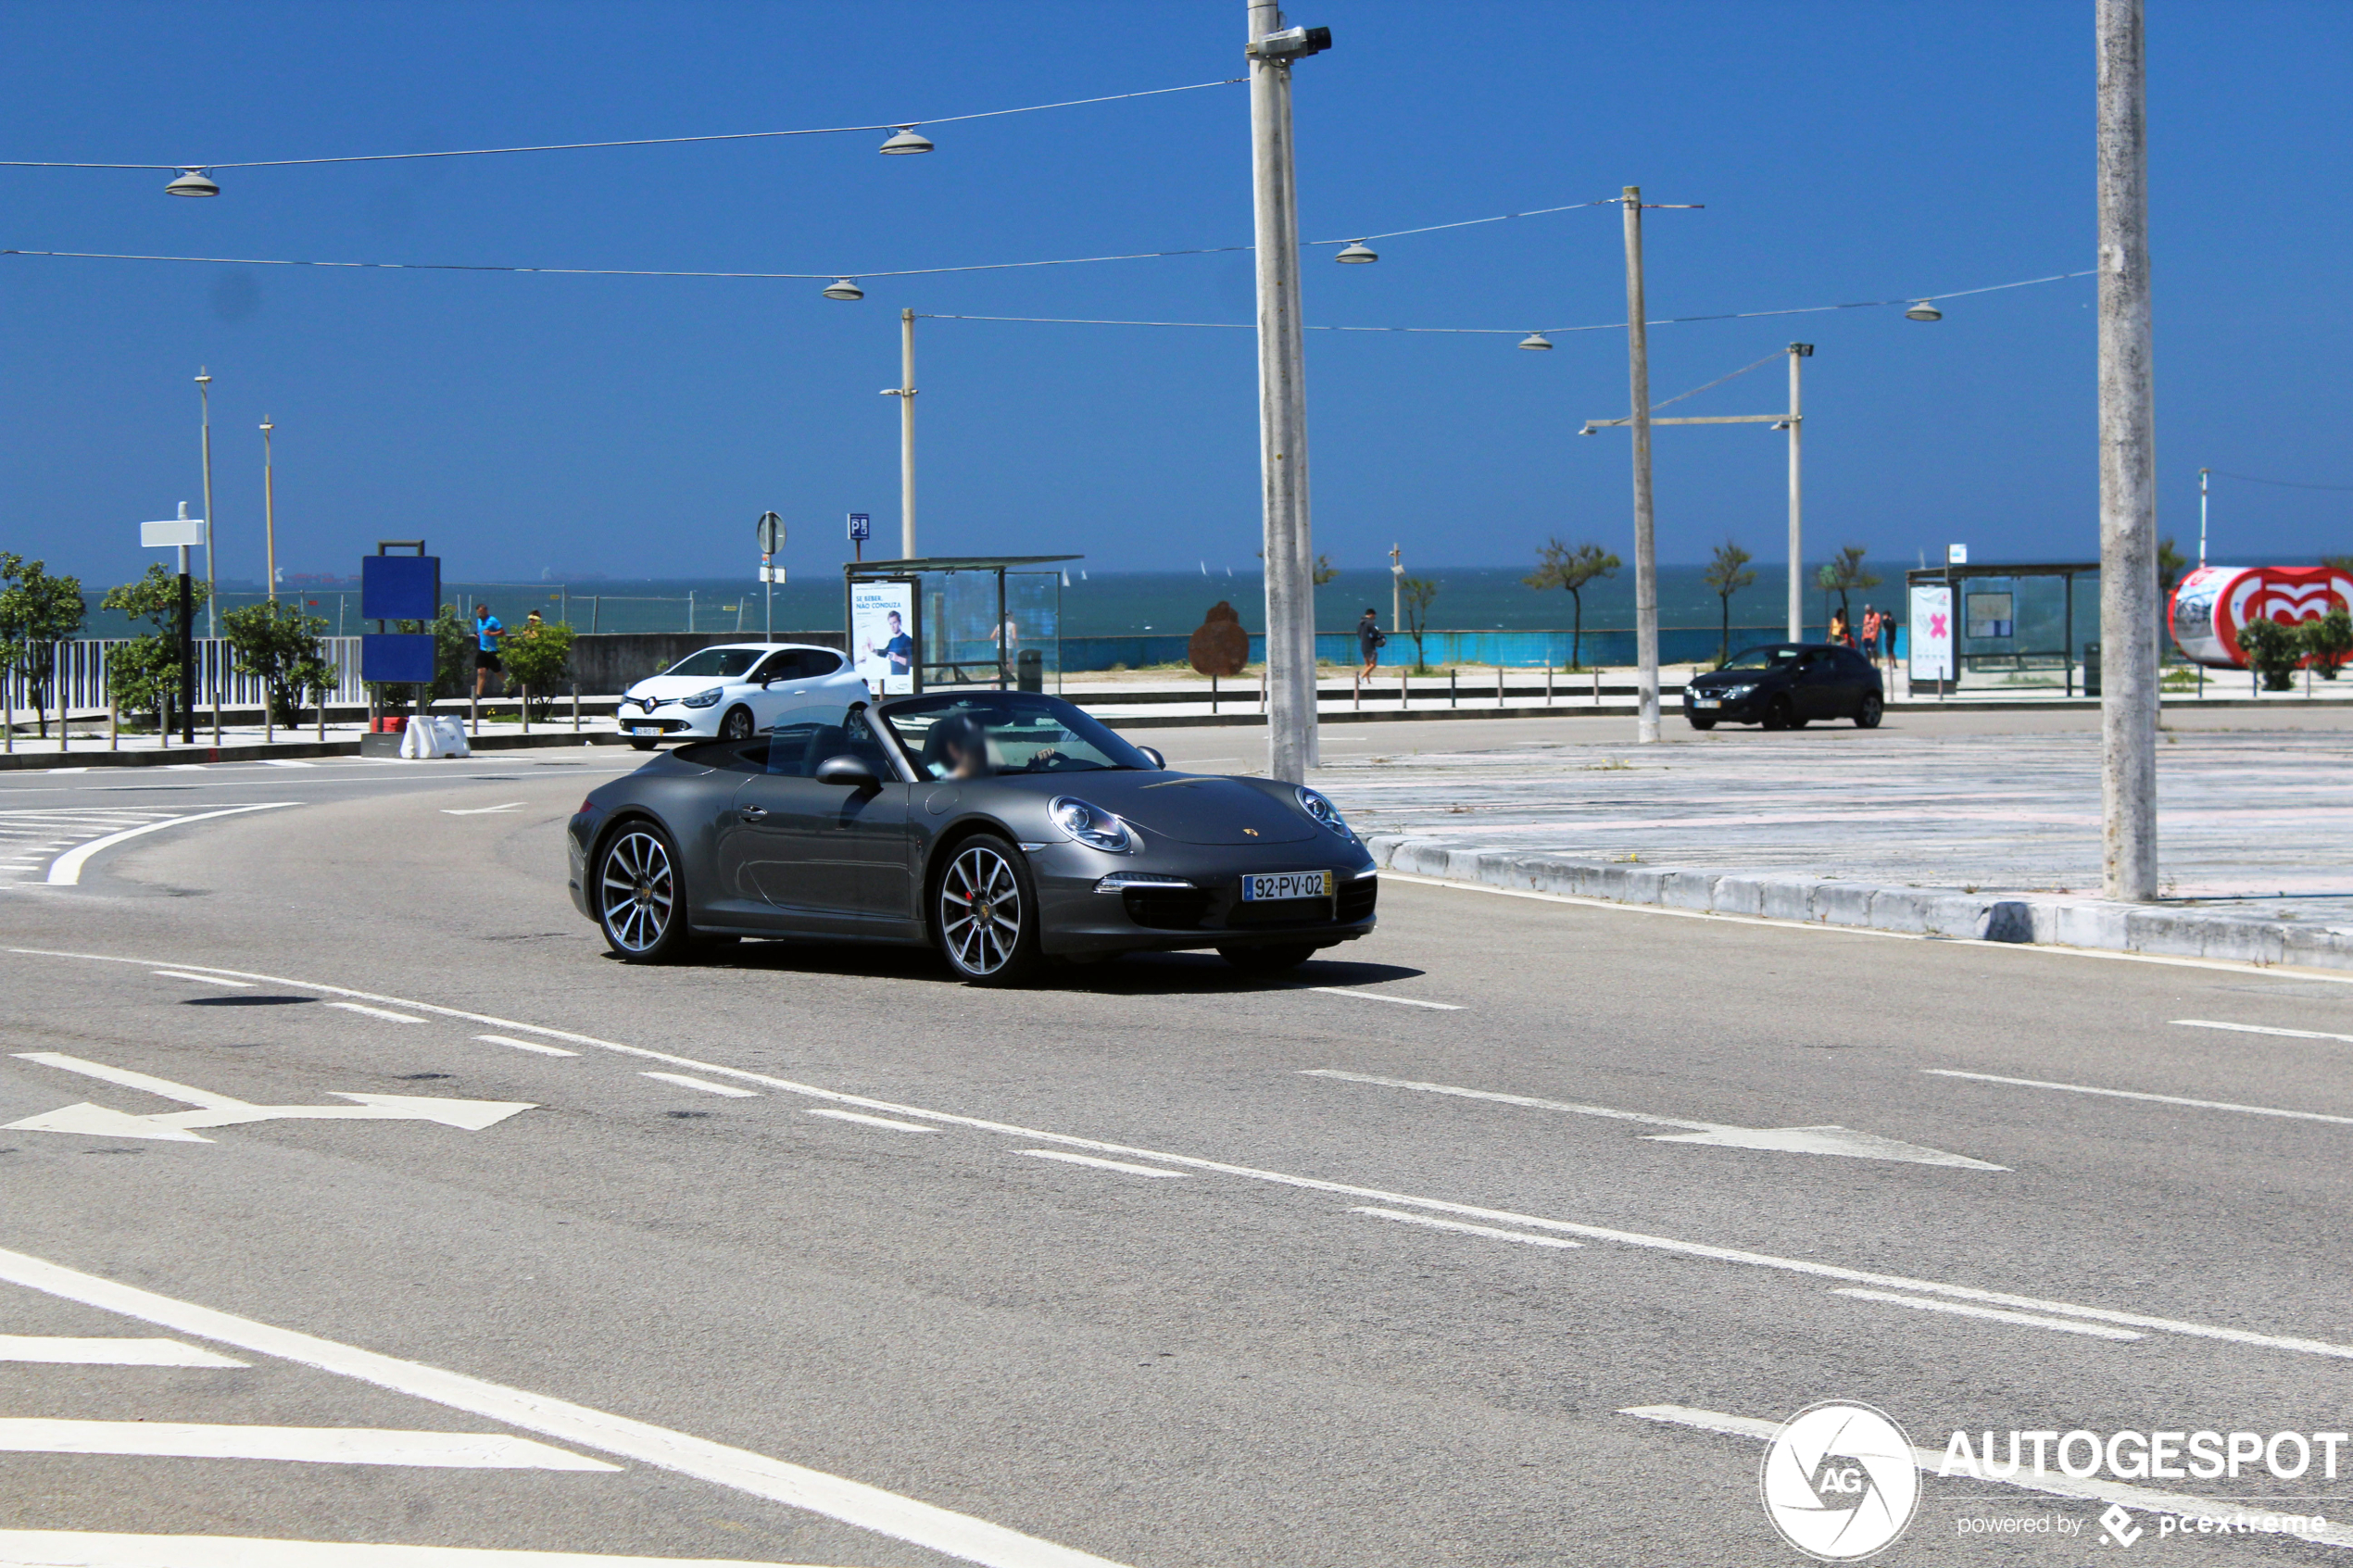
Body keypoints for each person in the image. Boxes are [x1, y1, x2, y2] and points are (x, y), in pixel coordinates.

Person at [472, 605, 508, 696]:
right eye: (478, 613)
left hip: (492, 650)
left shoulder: (493, 620)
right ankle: (478, 694)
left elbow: (503, 632)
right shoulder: (479, 621)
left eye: (481, 612)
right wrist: (479, 636)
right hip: (482, 650)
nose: (479, 614)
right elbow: (482, 633)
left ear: (486, 611)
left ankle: (509, 688)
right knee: (481, 672)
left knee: (498, 672)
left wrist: (491, 634)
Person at [1357, 607, 1385, 678]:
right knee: (1373, 664)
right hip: (1370, 646)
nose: (1374, 617)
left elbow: (1359, 633)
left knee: (1367, 664)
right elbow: (1375, 633)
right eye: (1374, 615)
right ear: (1371, 614)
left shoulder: (1360, 623)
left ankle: (1368, 680)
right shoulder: (1370, 623)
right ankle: (1361, 677)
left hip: (1363, 644)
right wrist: (1380, 638)